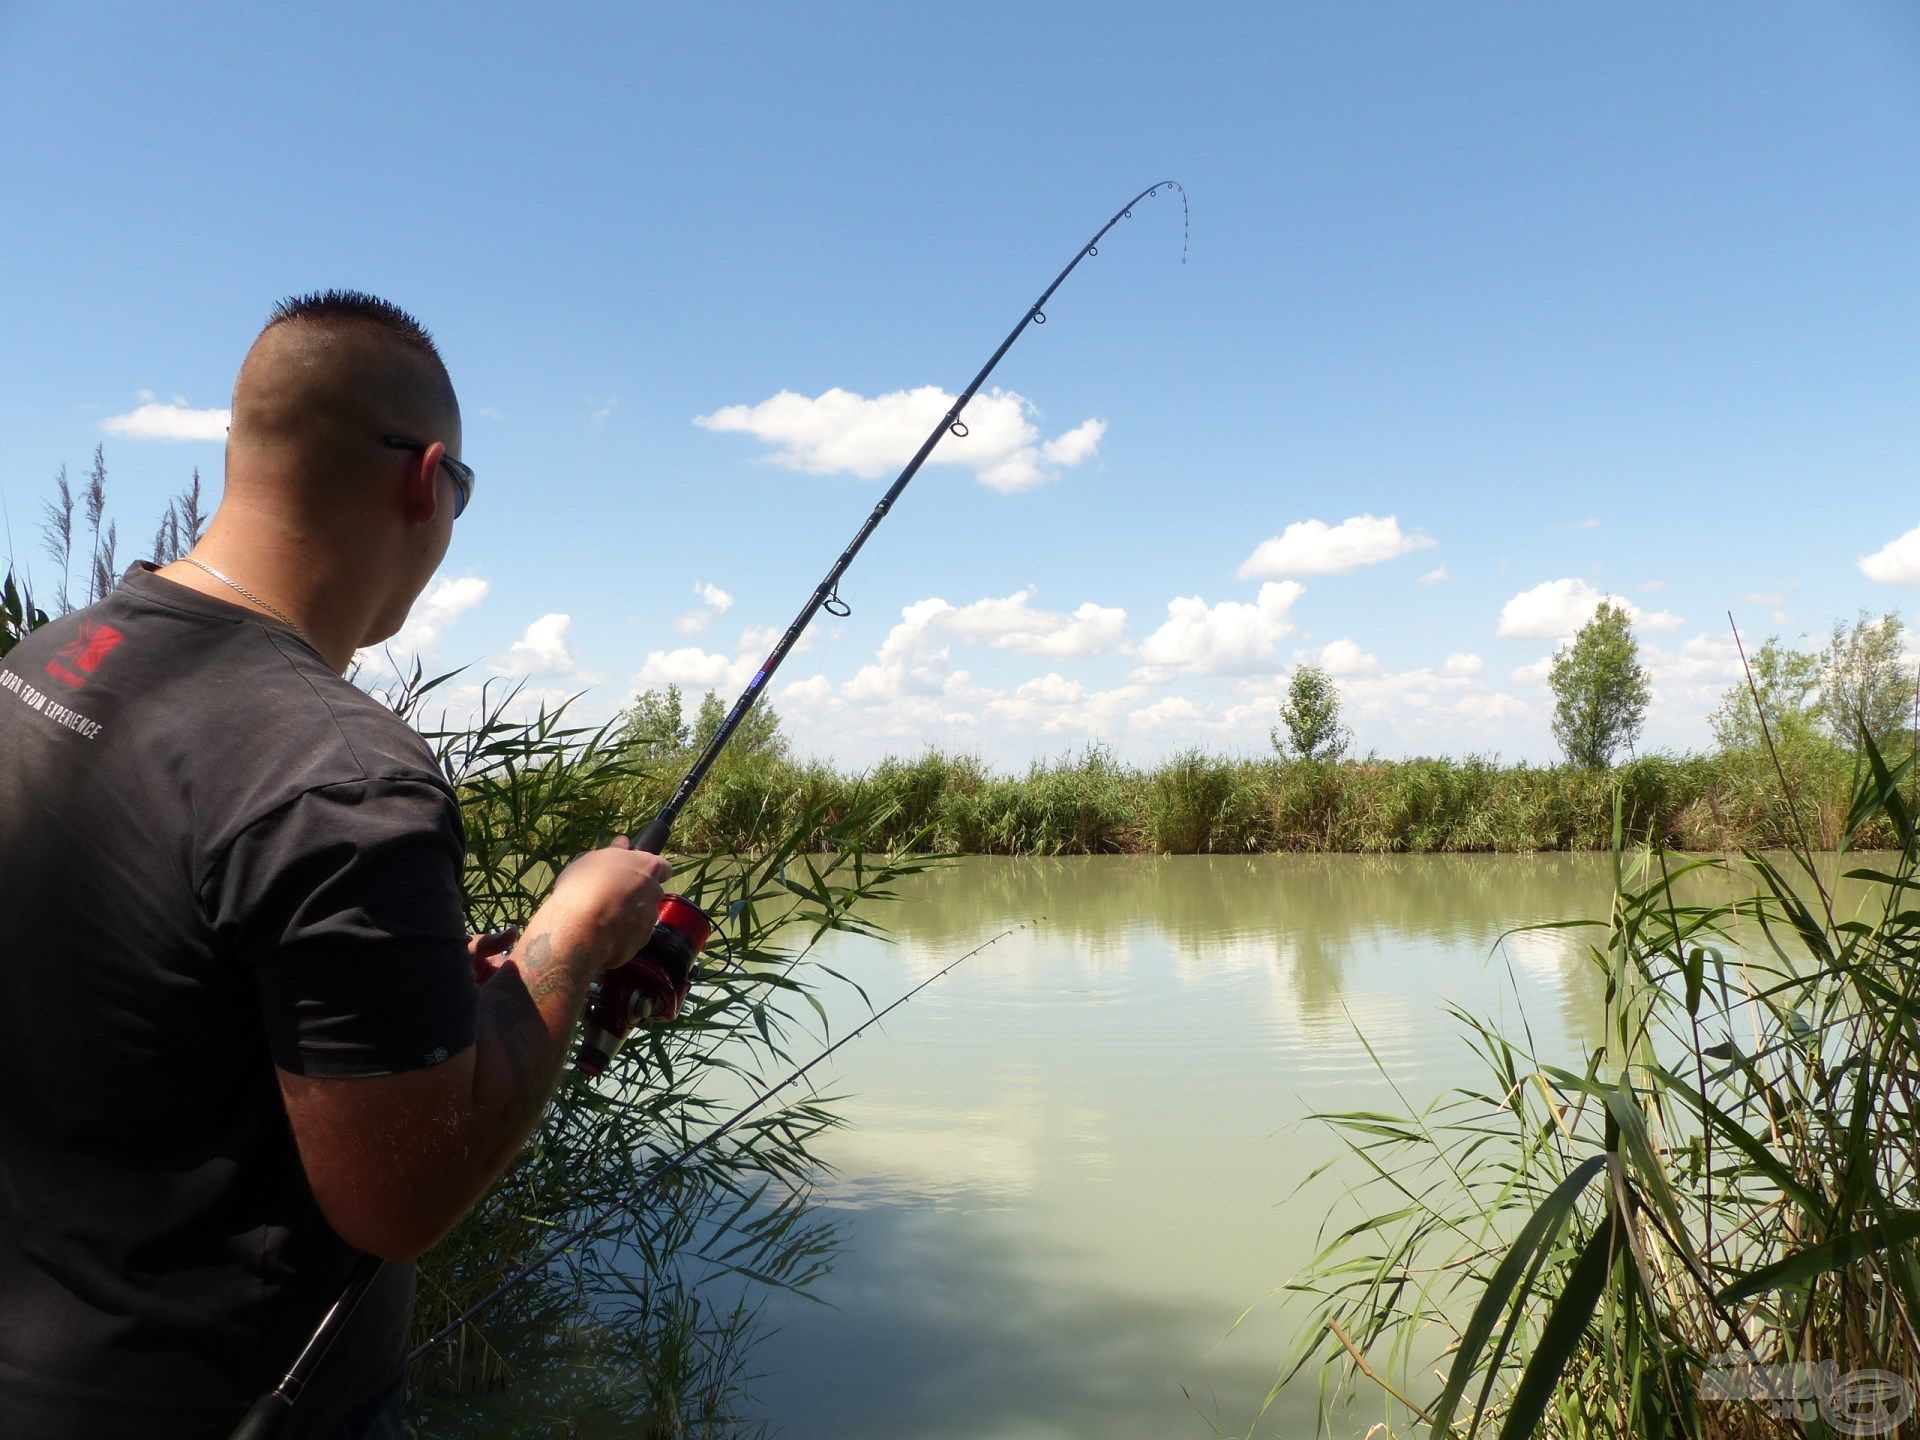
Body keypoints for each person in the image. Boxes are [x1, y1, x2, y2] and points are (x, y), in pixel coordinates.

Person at [0, 291, 670, 1438]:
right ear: (428, 481)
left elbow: (152, 977)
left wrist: (418, 991)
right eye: (464, 495)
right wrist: (570, 933)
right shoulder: (341, 775)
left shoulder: (51, 662)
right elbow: (399, 1197)